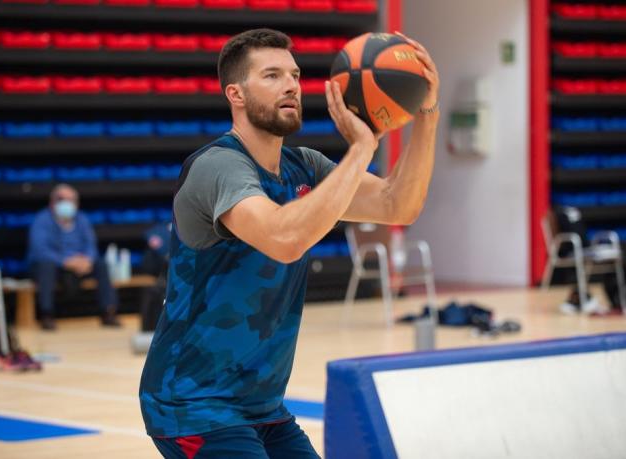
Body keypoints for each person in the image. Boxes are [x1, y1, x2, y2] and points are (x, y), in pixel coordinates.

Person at [139, 28, 439, 458]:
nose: (291, 85)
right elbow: (284, 239)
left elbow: (397, 206)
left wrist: (426, 113)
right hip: (192, 402)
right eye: (272, 75)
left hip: (262, 405)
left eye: (295, 75)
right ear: (236, 94)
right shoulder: (217, 166)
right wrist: (360, 150)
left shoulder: (305, 166)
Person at [27, 184, 121, 330]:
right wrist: (65, 261)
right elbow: (40, 250)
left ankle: (108, 312)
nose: (67, 204)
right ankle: (47, 315)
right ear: (52, 202)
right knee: (46, 266)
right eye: (62, 199)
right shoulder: (42, 220)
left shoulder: (81, 219)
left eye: (71, 200)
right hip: (54, 265)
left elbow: (91, 245)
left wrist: (87, 260)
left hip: (79, 265)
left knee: (101, 264)